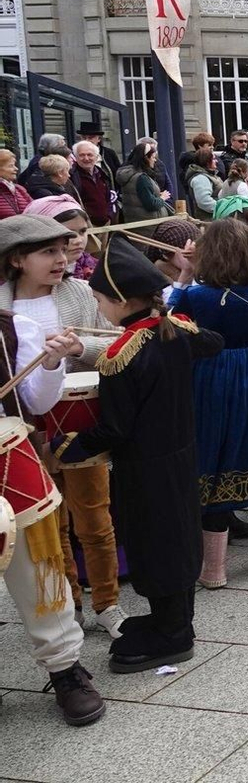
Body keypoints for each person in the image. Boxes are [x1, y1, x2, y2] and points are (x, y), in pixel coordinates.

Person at [54, 238, 223, 674]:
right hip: (181, 458)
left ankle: (173, 636)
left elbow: (115, 429)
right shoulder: (174, 330)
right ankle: (174, 620)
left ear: (121, 301)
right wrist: (176, 323)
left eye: (99, 300)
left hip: (145, 468)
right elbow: (214, 342)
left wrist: (66, 446)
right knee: (178, 538)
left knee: (154, 544)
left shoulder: (120, 356)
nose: (98, 309)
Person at [0, 214, 123, 638]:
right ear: (17, 259)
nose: (62, 259)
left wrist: (80, 347)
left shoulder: (79, 292)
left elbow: (116, 341)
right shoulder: (2, 305)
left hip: (80, 422)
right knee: (50, 524)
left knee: (94, 516)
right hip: (25, 427)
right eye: (48, 252)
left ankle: (108, 603)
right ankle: (67, 603)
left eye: (62, 249)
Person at [163, 218, 248, 589]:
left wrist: (185, 274)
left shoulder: (195, 297)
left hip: (211, 375)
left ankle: (213, 569)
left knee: (214, 457)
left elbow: (168, 318)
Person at [1, 285, 104, 721]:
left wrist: (51, 363)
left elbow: (39, 401)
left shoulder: (11, 329)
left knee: (37, 569)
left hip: (7, 453)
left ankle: (65, 669)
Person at [117, 142, 171, 223]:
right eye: (153, 157)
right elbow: (151, 205)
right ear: (146, 158)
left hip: (137, 221)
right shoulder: (141, 178)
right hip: (149, 224)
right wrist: (162, 198)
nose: (155, 160)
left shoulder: (130, 175)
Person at [69, 141, 114, 226]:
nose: (86, 158)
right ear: (75, 157)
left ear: (97, 157)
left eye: (90, 155)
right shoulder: (71, 177)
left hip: (105, 224)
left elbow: (109, 198)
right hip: (85, 227)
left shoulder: (102, 174)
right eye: (82, 155)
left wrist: (109, 216)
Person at [0, 147, 31, 219]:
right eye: (11, 166)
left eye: (15, 165)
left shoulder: (20, 189)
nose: (16, 169)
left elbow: (35, 209)